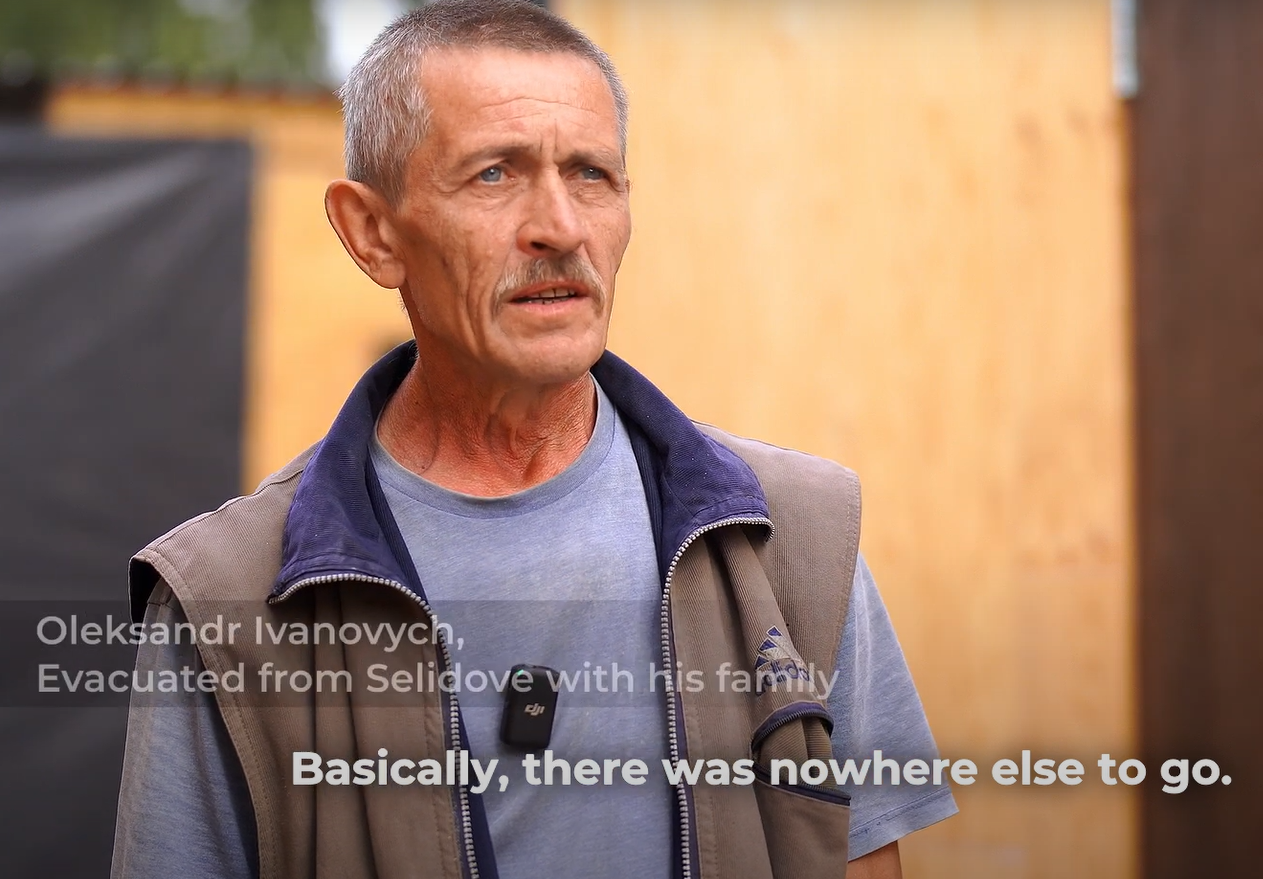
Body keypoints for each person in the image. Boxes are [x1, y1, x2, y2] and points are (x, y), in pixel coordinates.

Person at [110, 2, 956, 878]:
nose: (560, 225)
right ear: (373, 233)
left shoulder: (796, 538)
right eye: (493, 174)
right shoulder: (228, 598)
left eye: (591, 173)